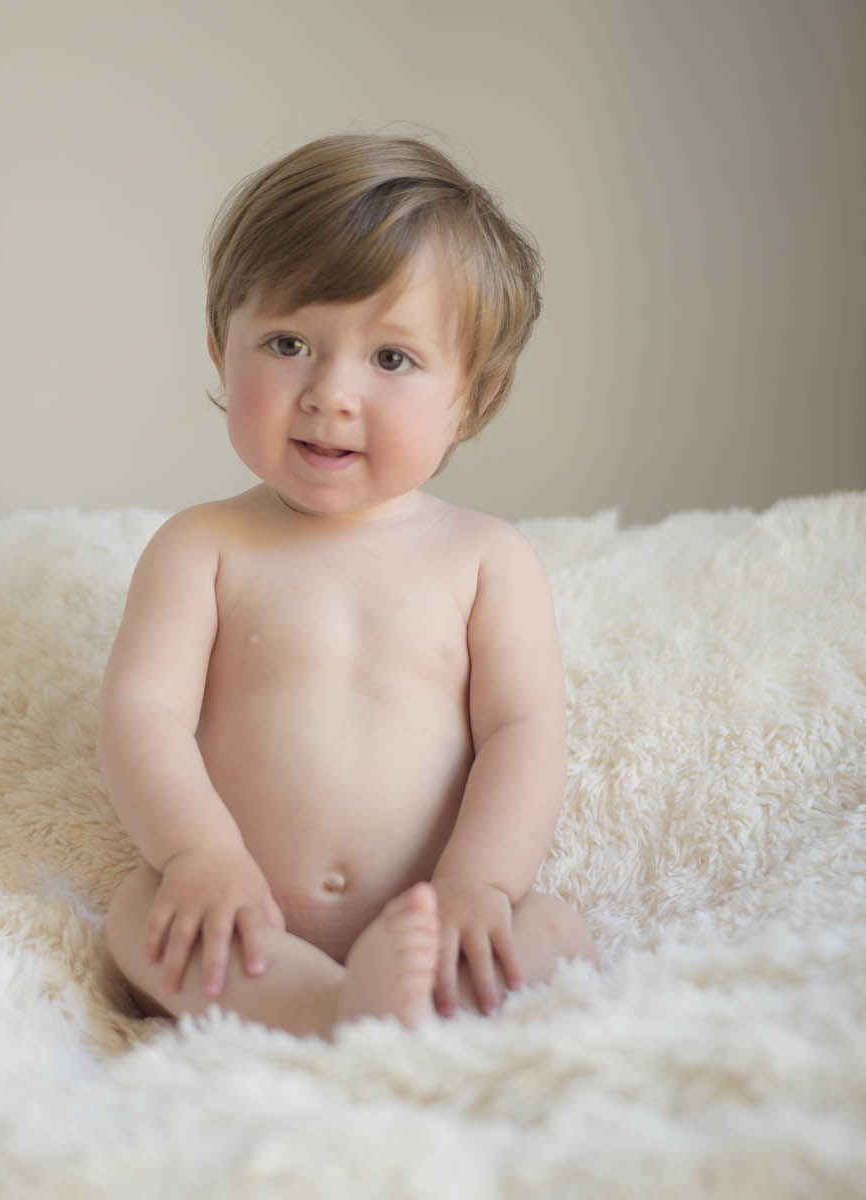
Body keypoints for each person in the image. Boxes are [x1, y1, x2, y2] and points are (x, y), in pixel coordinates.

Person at [99, 133, 595, 1038]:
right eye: (288, 343)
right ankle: (326, 1008)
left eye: (392, 359)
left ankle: (417, 994)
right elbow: (142, 714)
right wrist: (199, 853)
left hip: (431, 913)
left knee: (558, 930)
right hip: (244, 914)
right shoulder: (201, 547)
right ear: (220, 353)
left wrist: (480, 884)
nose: (330, 393)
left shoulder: (487, 559)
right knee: (138, 915)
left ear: (475, 398)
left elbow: (523, 733)